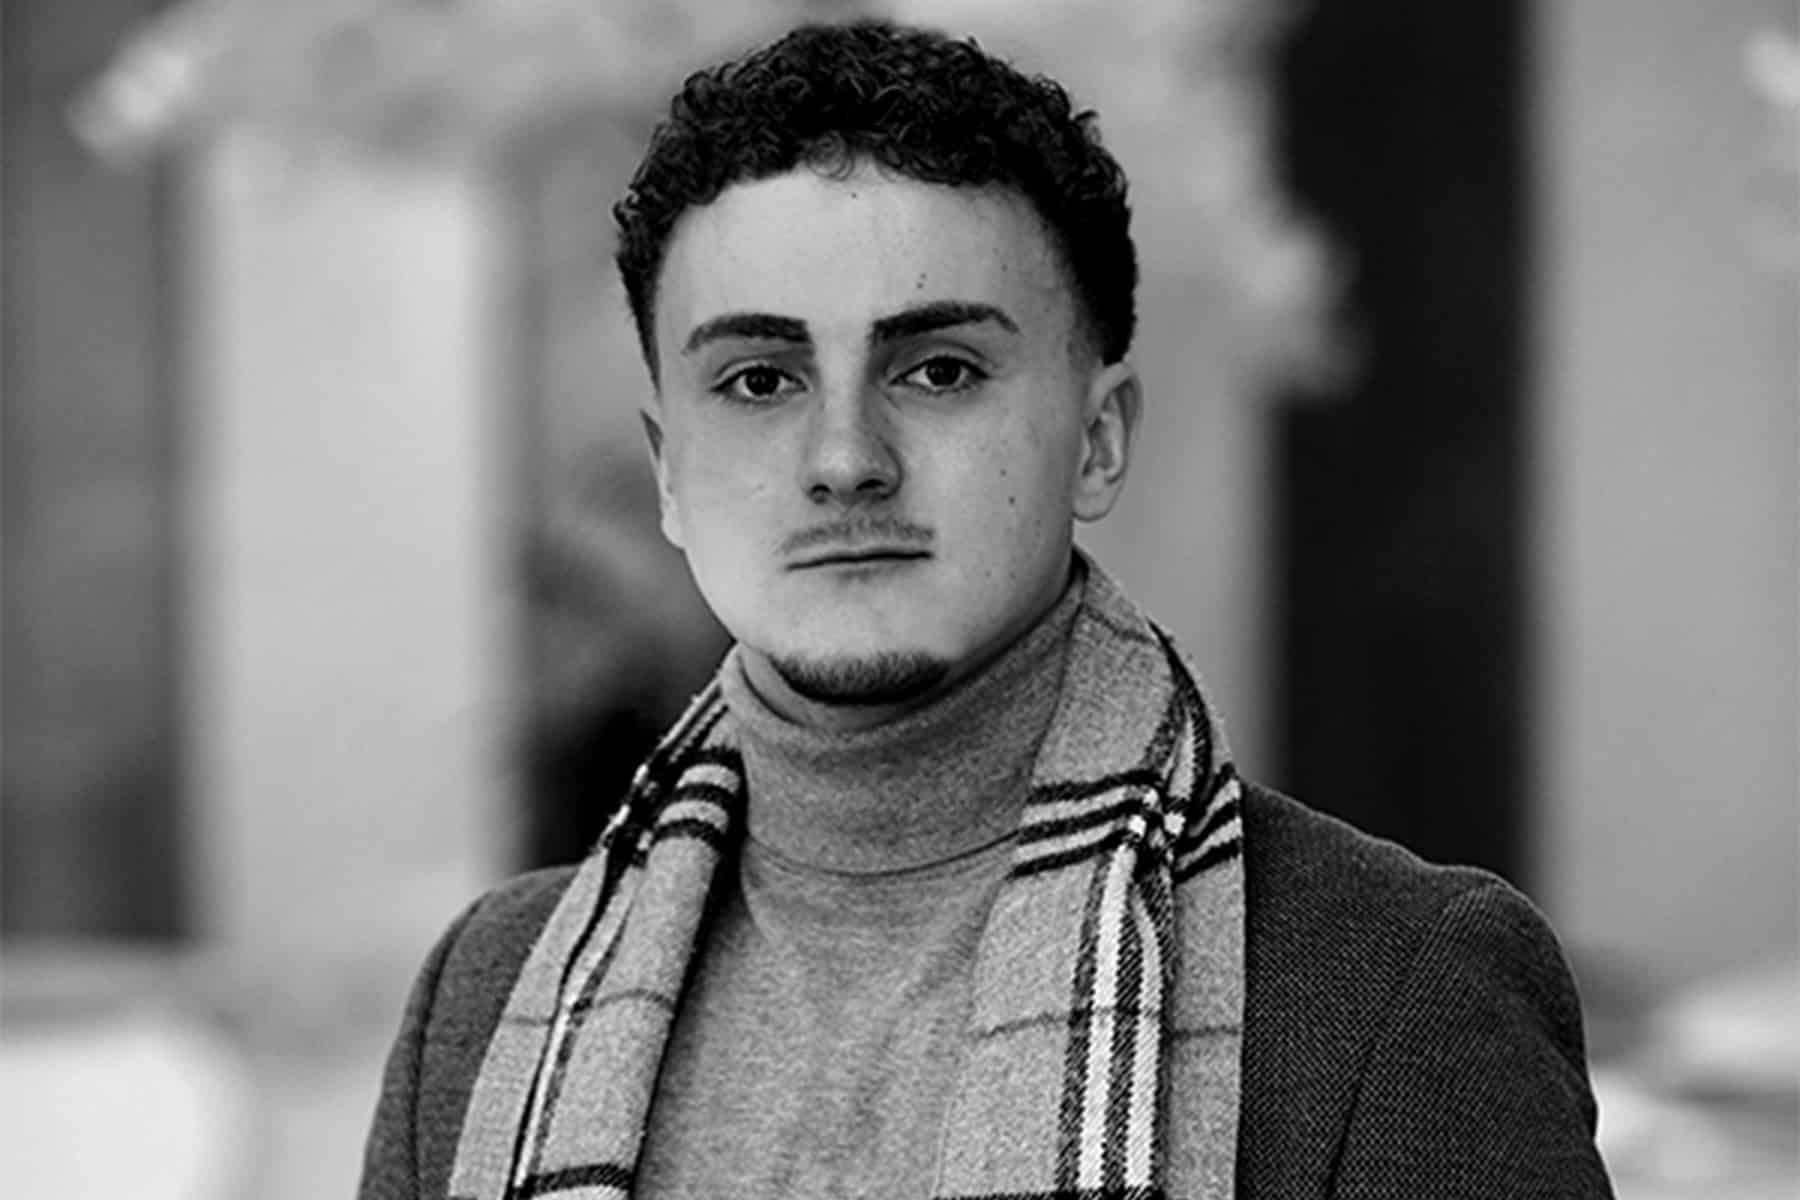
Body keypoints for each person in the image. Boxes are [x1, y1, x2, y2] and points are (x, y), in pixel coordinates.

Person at [359, 19, 1613, 1199]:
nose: (844, 459)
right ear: (668, 476)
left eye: (939, 369)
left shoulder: (1395, 997)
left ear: (1098, 442)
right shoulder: (486, 1001)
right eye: (758, 380)